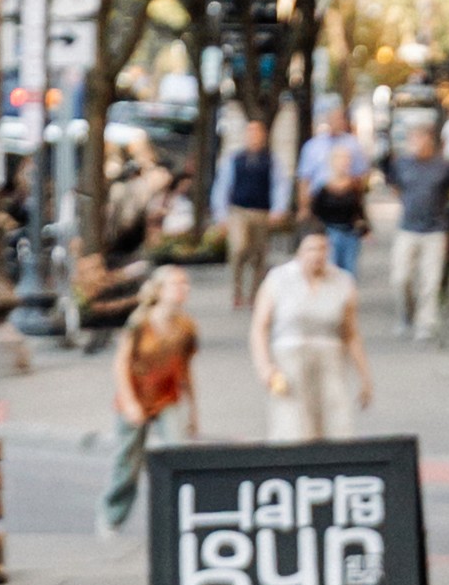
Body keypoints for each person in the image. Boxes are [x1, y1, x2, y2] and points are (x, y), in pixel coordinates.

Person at [98, 264, 202, 530]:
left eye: (185, 284)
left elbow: (185, 370)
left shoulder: (186, 327)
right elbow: (121, 363)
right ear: (159, 290)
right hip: (136, 395)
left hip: (167, 396)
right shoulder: (140, 322)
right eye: (176, 284)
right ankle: (111, 517)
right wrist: (130, 402)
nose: (182, 289)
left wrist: (193, 411)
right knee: (128, 462)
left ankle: (180, 517)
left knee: (178, 454)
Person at [254, 224, 374, 440]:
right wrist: (265, 367)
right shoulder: (278, 279)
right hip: (290, 362)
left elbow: (351, 333)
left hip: (329, 360)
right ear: (299, 251)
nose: (317, 255)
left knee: (335, 425)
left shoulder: (342, 281)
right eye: (311, 249)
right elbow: (260, 327)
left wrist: (364, 377)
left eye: (322, 248)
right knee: (294, 427)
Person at [386, 113, 449, 334]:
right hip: (407, 228)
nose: (416, 142)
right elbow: (396, 189)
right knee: (400, 277)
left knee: (430, 281)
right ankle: (406, 315)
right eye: (412, 138)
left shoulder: (443, 166)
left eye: (420, 137)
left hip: (435, 229)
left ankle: (426, 322)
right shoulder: (402, 164)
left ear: (430, 139)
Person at [215, 121, 277, 311]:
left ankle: (254, 294)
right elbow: (223, 186)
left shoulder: (270, 160)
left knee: (259, 254)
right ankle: (237, 291)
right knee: (238, 248)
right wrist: (221, 214)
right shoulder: (235, 159)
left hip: (261, 211)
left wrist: (278, 209)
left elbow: (278, 185)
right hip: (238, 211)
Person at [304, 111, 375, 273]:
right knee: (332, 270)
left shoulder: (353, 146)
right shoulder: (323, 188)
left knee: (349, 271)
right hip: (330, 232)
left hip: (349, 232)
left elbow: (359, 208)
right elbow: (314, 210)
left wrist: (365, 229)